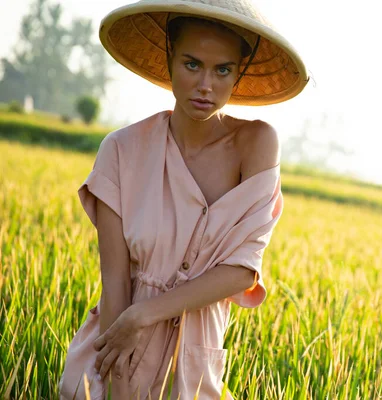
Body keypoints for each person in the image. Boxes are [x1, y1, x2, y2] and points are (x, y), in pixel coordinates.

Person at [58, 0, 307, 399]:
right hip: (112, 358)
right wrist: (118, 386)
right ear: (170, 59)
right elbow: (116, 281)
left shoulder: (257, 144)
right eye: (192, 64)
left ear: (238, 72)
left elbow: (243, 270)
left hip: (192, 366)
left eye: (222, 69)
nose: (206, 85)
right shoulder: (121, 149)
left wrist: (144, 314)